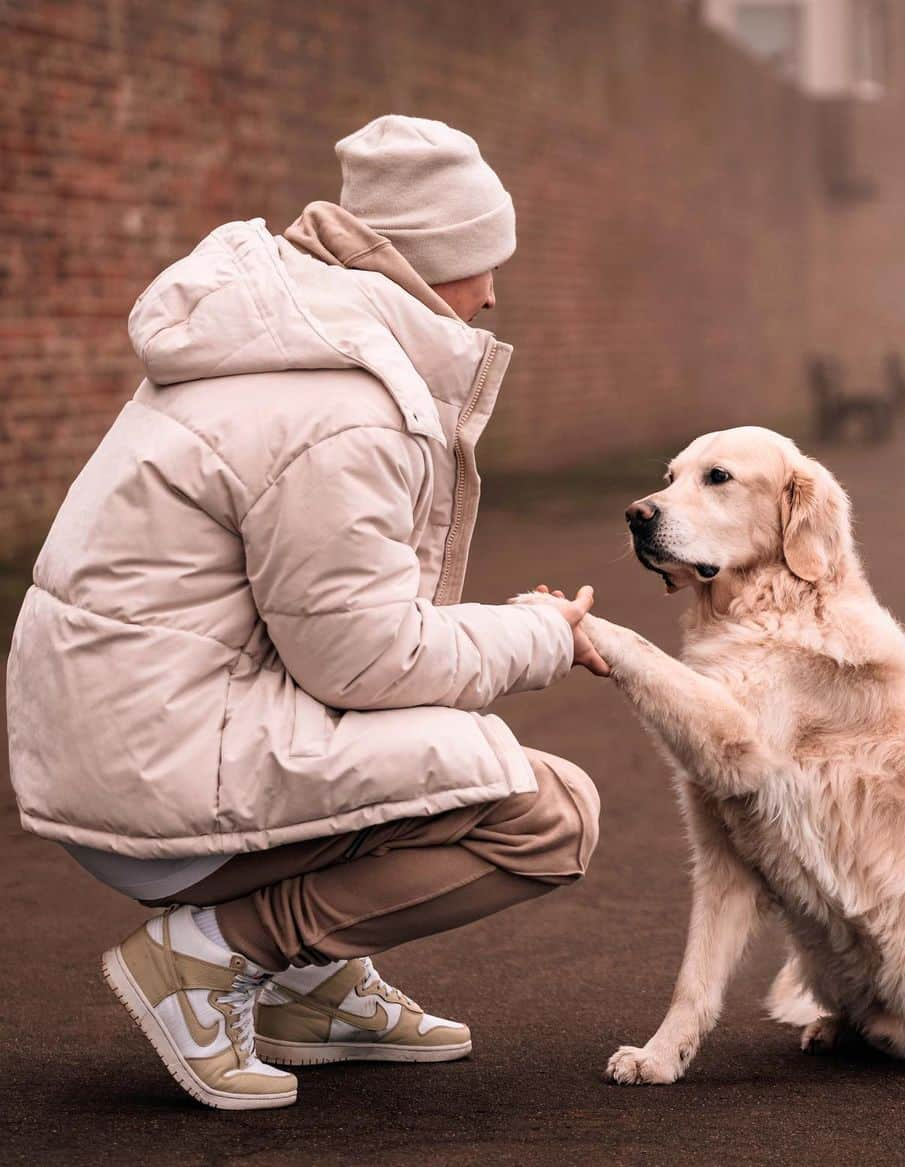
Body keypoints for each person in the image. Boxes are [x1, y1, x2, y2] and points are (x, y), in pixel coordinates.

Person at [5, 114, 607, 1111]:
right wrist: (542, 635)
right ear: (420, 266)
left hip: (131, 739)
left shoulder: (290, 350)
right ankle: (209, 957)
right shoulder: (342, 407)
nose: (493, 292)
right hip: (162, 773)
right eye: (478, 263)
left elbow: (335, 631)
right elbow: (364, 665)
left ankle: (310, 989)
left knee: (470, 756)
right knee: (546, 816)